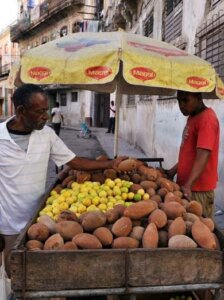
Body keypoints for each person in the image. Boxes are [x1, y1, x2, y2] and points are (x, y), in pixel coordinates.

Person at [0, 84, 125, 277]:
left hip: (43, 218)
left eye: (47, 111)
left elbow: (74, 161)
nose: (46, 116)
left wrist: (110, 164)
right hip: (9, 224)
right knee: (13, 272)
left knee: (37, 275)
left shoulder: (47, 134)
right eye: (40, 111)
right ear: (21, 111)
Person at [166, 90, 220, 218]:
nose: (181, 105)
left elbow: (203, 156)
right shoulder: (193, 117)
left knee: (201, 229)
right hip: (188, 188)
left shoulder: (207, 119)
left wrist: (188, 185)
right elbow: (191, 154)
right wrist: (173, 170)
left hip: (197, 189)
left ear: (198, 97)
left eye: (185, 100)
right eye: (179, 101)